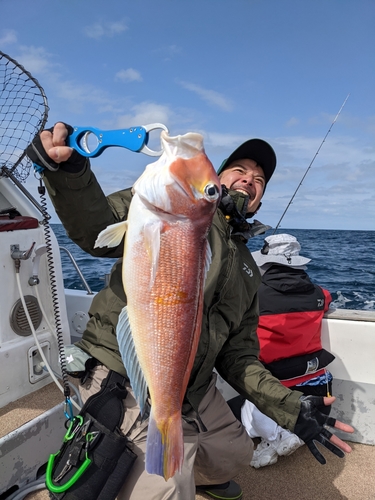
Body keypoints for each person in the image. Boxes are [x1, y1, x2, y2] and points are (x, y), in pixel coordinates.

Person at [27, 123, 353, 500]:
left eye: (259, 179)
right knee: (168, 490)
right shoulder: (168, 208)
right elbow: (95, 228)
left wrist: (290, 408)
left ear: (260, 202)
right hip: (123, 370)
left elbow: (239, 355)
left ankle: (180, 451)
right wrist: (69, 173)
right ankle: (150, 459)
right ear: (216, 178)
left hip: (190, 385)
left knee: (237, 454)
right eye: (239, 171)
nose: (249, 179)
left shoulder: (249, 269)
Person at [229, 233, 335, 469]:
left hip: (278, 383)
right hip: (319, 385)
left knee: (236, 411)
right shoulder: (320, 294)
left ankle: (278, 436)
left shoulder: (253, 296)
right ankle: (283, 432)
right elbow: (327, 301)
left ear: (266, 263)